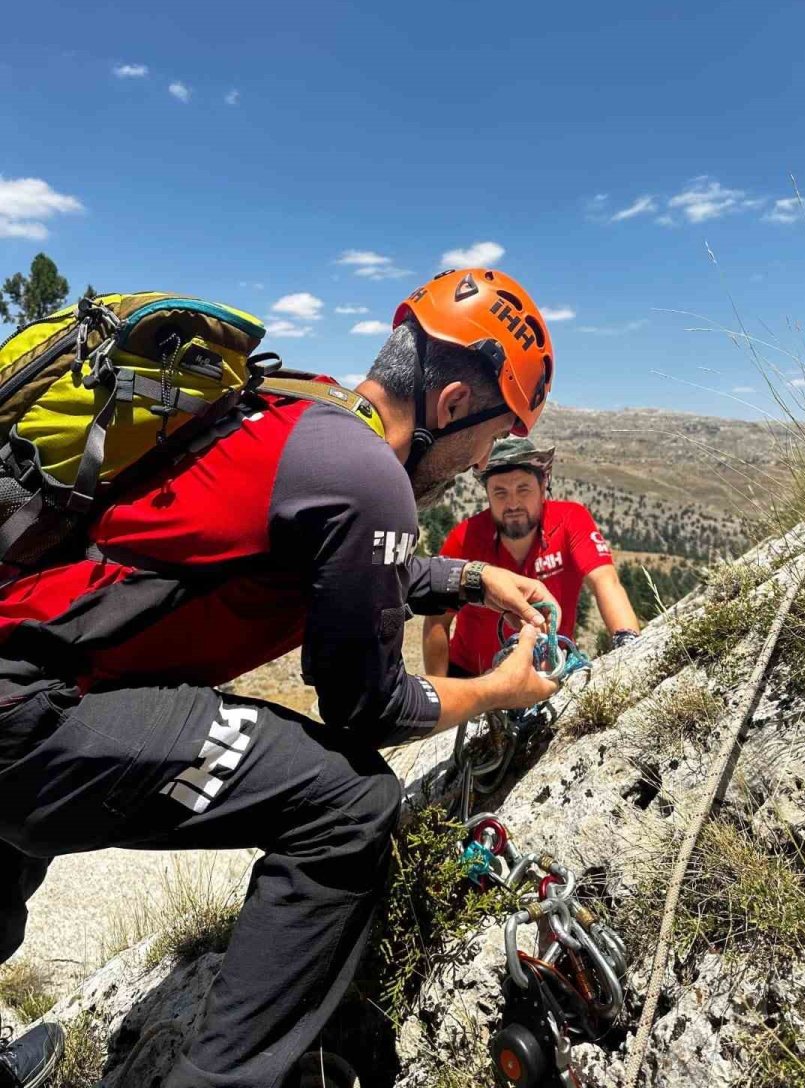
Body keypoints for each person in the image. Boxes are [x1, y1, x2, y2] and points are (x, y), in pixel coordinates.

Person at [0, 268, 562, 1088]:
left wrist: (473, 581)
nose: (484, 459)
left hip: (23, 665)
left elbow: (325, 564)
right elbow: (367, 706)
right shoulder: (371, 480)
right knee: (350, 802)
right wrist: (499, 691)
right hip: (31, 714)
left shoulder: (305, 410)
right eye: (493, 433)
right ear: (450, 407)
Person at [423, 437, 640, 679]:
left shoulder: (571, 519)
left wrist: (628, 643)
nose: (513, 503)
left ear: (542, 486)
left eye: (523, 489)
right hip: (473, 675)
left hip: (548, 670)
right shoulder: (465, 538)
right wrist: (440, 692)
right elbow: (436, 621)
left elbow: (605, 582)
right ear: (487, 494)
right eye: (500, 492)